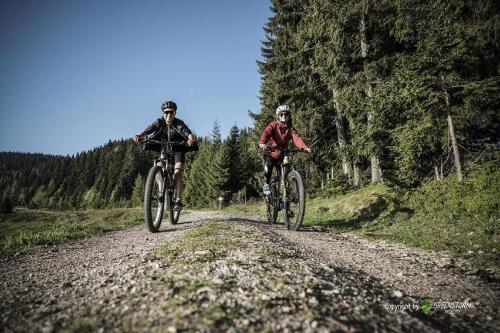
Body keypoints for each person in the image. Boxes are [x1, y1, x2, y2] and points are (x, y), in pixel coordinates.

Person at [133, 100, 194, 209]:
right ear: (163, 113)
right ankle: (162, 188)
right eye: (166, 112)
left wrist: (190, 139)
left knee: (178, 172)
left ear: (175, 113)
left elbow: (187, 132)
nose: (169, 115)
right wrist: (139, 135)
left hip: (178, 149)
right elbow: (149, 129)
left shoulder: (178, 123)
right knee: (158, 168)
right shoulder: (159, 122)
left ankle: (178, 200)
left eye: (172, 112)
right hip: (164, 148)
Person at [258, 104, 311, 195]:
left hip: (283, 153)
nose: (284, 116)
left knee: (286, 171)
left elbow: (297, 138)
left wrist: (304, 147)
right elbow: (266, 133)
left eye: (286, 114)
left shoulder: (290, 129)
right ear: (278, 116)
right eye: (281, 114)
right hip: (271, 152)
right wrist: (262, 143)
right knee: (268, 168)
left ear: (289, 116)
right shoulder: (273, 125)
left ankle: (285, 198)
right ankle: (266, 184)